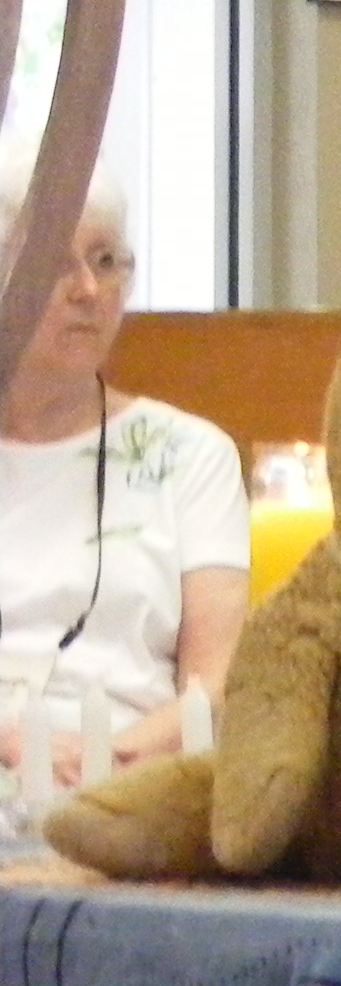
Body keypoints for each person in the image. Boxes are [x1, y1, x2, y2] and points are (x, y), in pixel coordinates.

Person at [0, 164, 248, 786]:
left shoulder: (190, 456)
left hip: (133, 782)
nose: (88, 289)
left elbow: (216, 684)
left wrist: (107, 764)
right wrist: (17, 747)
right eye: (56, 264)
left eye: (106, 261)